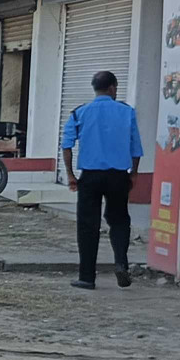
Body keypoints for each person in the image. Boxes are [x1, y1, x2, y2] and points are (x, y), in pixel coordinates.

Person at [61, 70, 143, 290]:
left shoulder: (79, 113)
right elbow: (135, 147)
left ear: (95, 88)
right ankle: (121, 263)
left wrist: (70, 174)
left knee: (88, 225)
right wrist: (134, 173)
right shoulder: (127, 112)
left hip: (90, 176)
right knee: (119, 219)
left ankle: (87, 277)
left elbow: (67, 145)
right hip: (118, 176)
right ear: (113, 88)